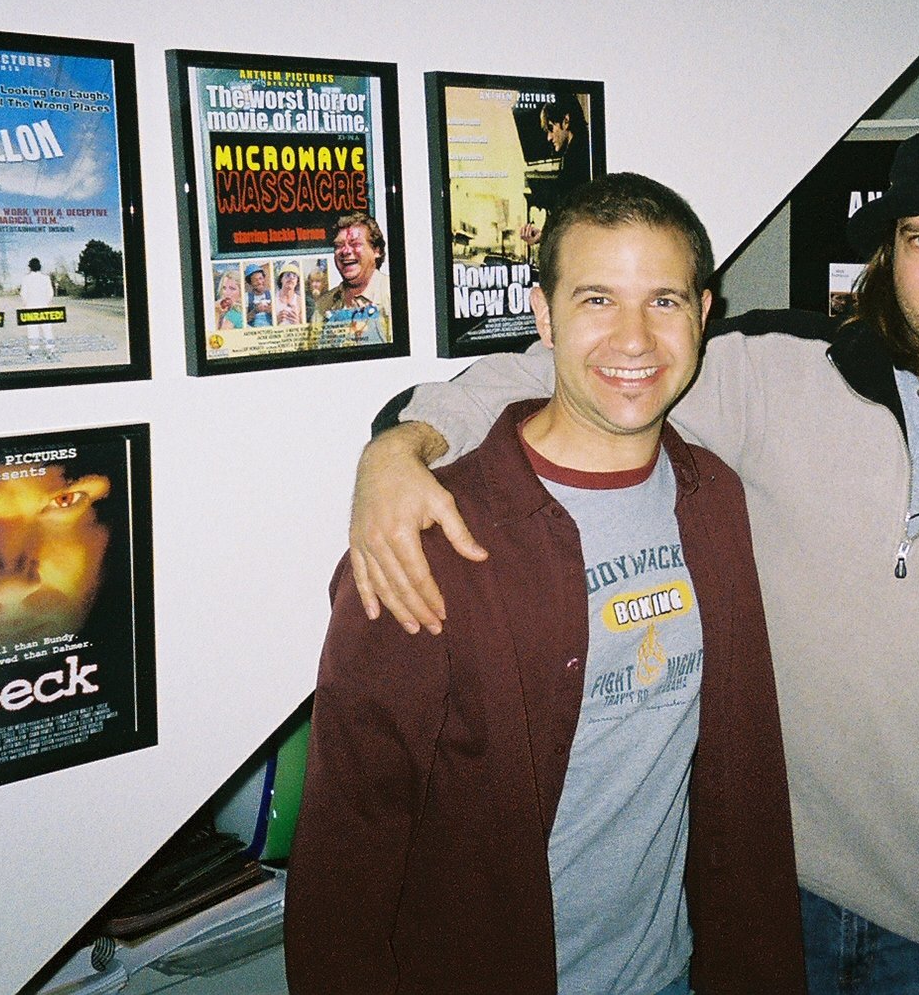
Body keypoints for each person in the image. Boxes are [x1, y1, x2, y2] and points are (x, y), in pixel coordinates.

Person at [348, 125, 919, 995]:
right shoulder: (780, 380)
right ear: (888, 254)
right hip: (759, 895)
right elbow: (585, 360)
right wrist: (406, 442)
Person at [285, 174, 804, 995]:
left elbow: (740, 782)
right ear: (543, 315)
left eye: (663, 301)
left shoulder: (715, 499)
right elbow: (348, 851)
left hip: (666, 975)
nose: (633, 340)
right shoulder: (431, 535)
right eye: (597, 299)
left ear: (704, 315)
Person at [308, 212, 392, 347]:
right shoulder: (323, 305)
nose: (345, 251)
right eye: (338, 245)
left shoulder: (395, 295)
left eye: (355, 243)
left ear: (377, 251)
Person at [19, 257, 57, 360]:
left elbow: (23, 294)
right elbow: (50, 293)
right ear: (40, 266)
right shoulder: (46, 278)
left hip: (31, 307)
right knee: (47, 330)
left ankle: (34, 350)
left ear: (30, 267)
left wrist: (26, 304)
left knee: (32, 330)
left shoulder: (25, 279)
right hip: (43, 306)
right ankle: (50, 350)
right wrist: (46, 302)